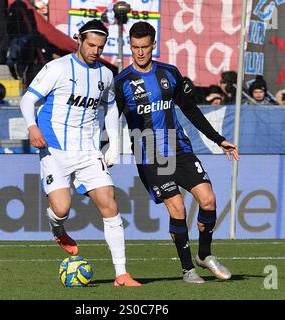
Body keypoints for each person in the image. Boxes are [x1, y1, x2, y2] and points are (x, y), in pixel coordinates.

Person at [114, 21, 240, 284]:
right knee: (178, 208)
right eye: (135, 47)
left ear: (153, 45)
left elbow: (191, 110)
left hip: (179, 147)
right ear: (130, 47)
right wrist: (104, 149)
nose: (140, 53)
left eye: (145, 47)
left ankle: (204, 255)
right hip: (151, 155)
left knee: (208, 200)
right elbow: (109, 120)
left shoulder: (170, 73)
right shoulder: (122, 82)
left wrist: (219, 140)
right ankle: (187, 269)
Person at [19, 19, 141, 287]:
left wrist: (114, 145)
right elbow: (28, 99)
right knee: (61, 209)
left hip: (88, 151)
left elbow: (110, 108)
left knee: (109, 203)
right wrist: (32, 127)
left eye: (101, 46)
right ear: (79, 40)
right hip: (55, 149)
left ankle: (122, 274)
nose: (96, 51)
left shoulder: (106, 75)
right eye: (91, 45)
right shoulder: (57, 68)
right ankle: (57, 228)